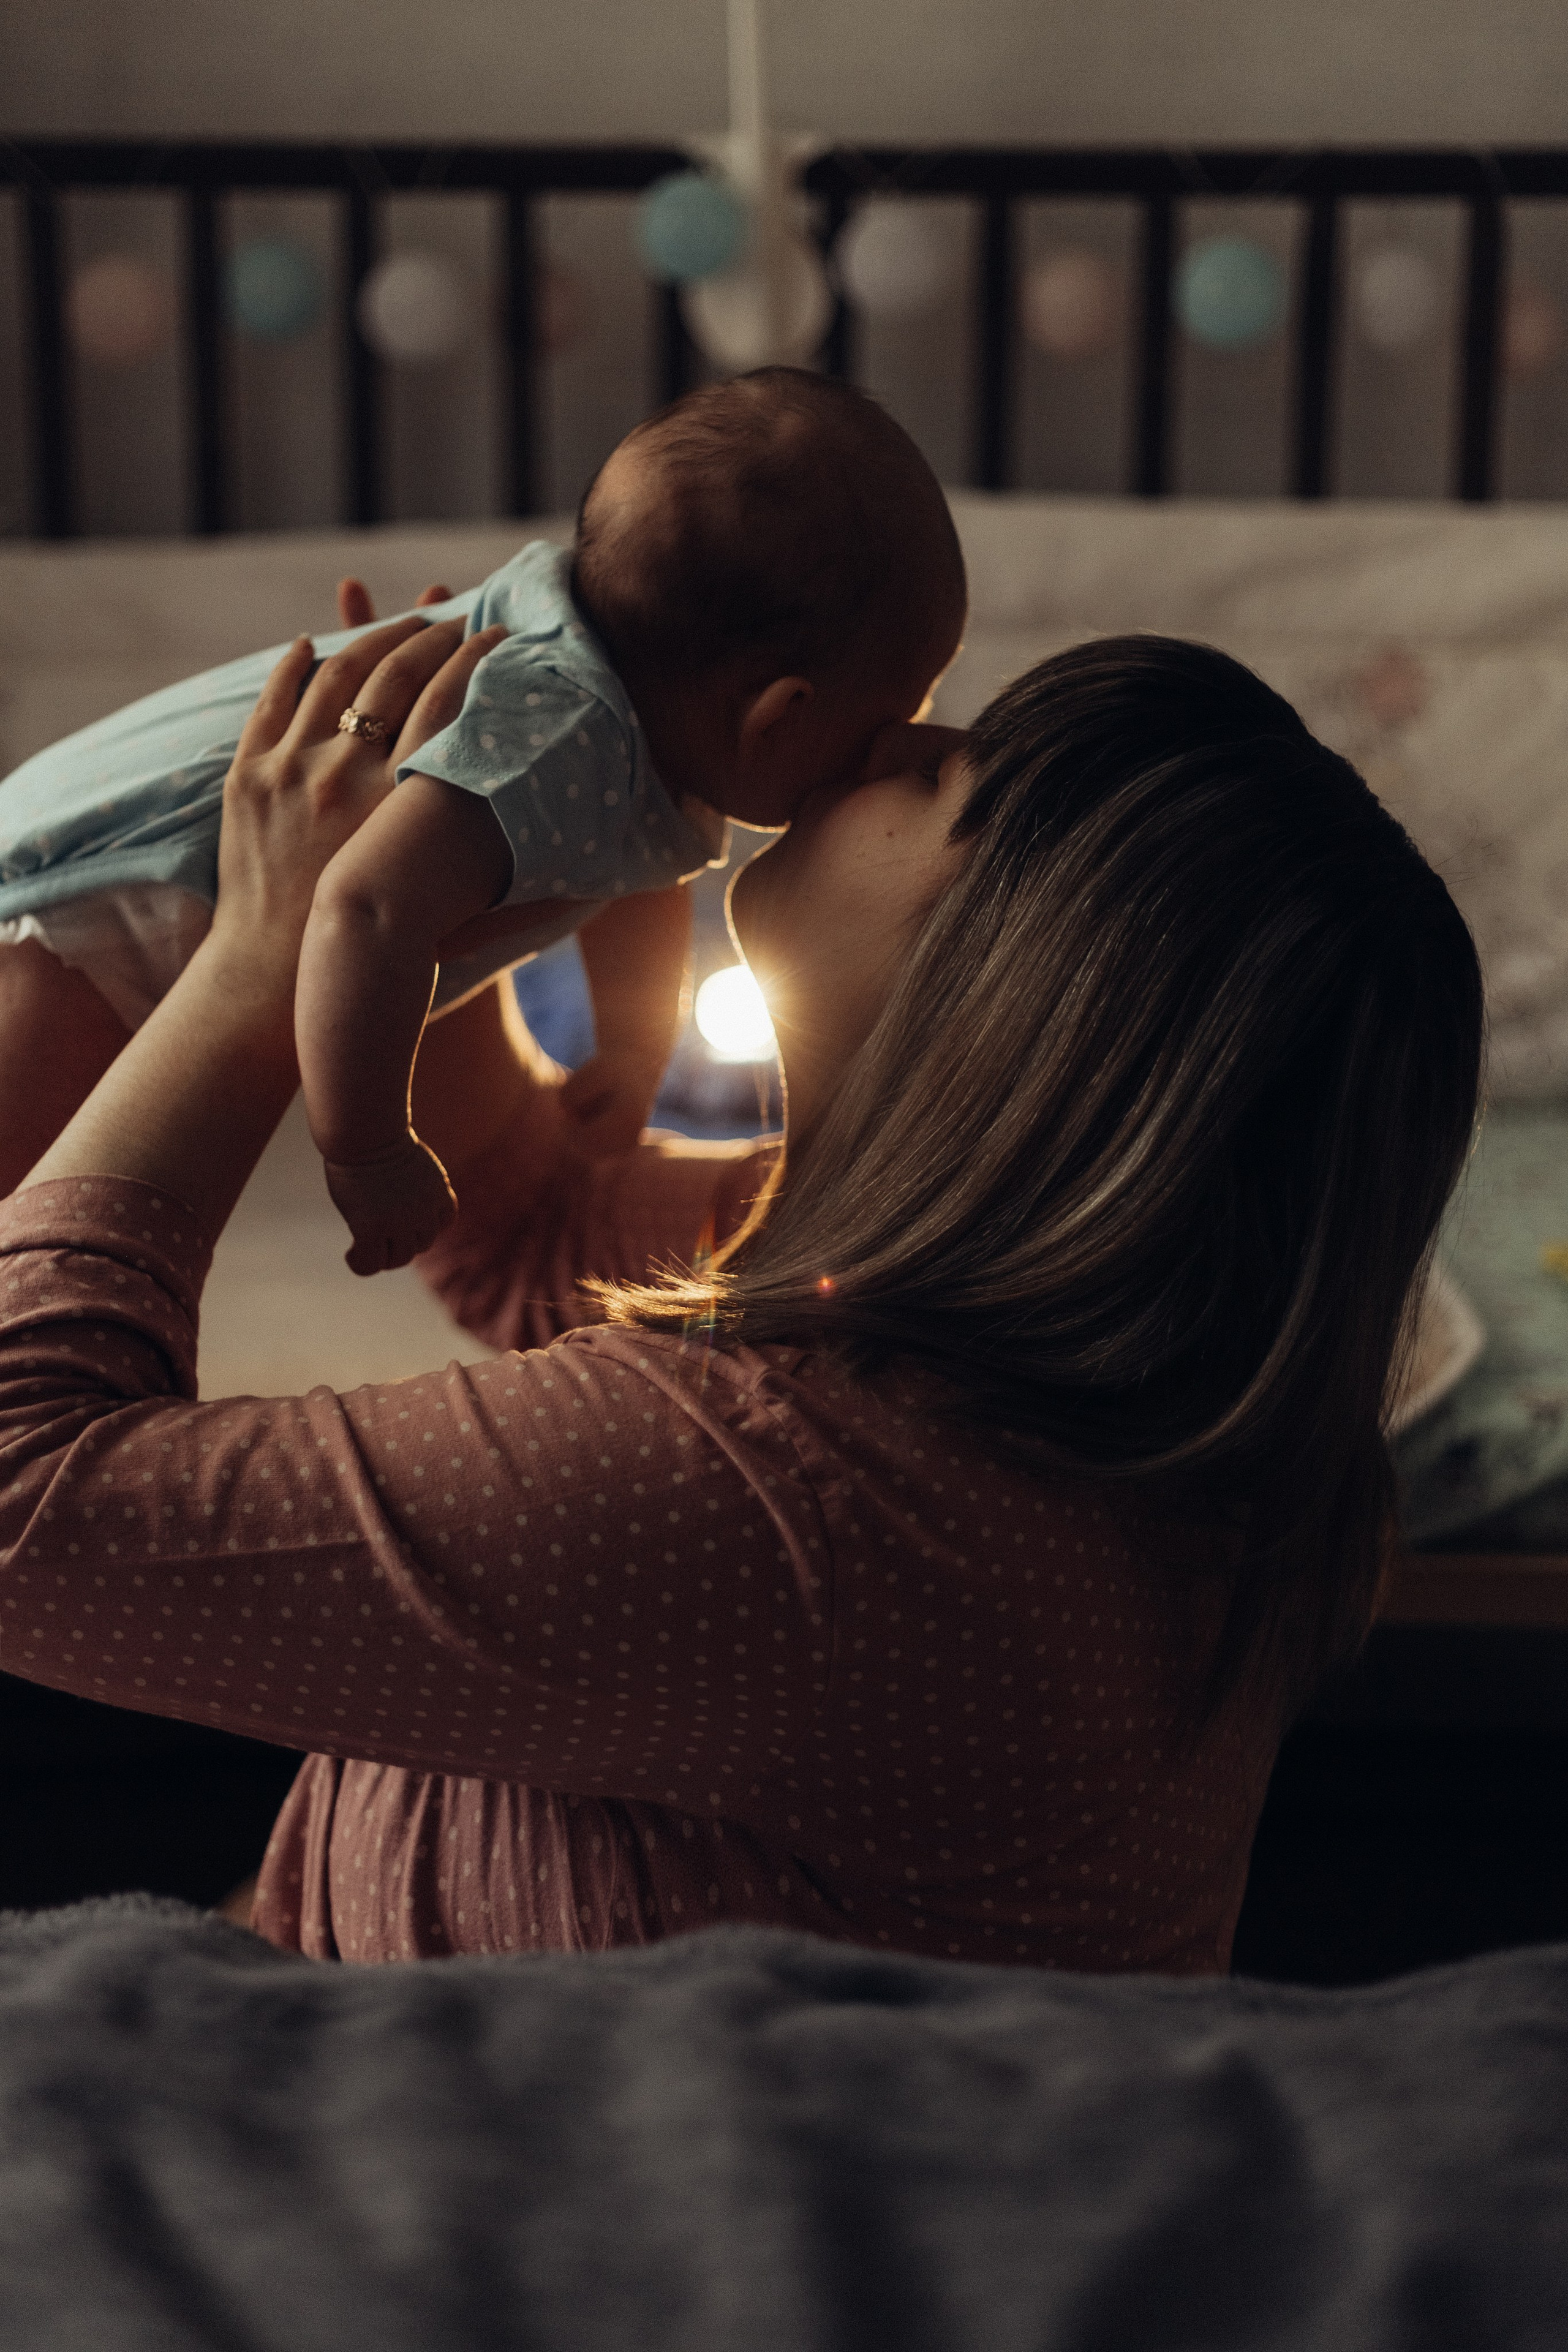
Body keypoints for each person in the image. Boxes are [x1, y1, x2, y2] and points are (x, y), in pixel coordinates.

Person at [0, 614, 1481, 1975]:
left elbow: (18, 1502)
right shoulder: (1035, 1398)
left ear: (1025, 998)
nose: (900, 737)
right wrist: (422, 896)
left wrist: (262, 956)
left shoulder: (800, 1496)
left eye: (961, 775)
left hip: (460, 2207)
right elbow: (524, 1226)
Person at [0, 369, 967, 1270]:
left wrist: (628, 1048)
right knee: (31, 1236)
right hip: (99, 911)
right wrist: (371, 1154)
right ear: (781, 714)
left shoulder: (624, 746)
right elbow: (364, 909)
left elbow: (625, 883)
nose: (894, 751)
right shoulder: (557, 728)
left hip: (127, 897)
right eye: (900, 715)